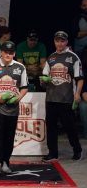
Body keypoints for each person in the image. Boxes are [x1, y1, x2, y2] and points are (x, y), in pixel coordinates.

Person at [0, 41, 28, 174]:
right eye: (5, 52)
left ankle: (6, 162)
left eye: (11, 52)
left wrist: (18, 98)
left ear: (14, 53)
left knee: (9, 136)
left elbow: (24, 87)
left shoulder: (20, 67)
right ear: (1, 52)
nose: (8, 54)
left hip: (13, 109)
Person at [41, 31, 83, 161]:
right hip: (51, 98)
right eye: (57, 41)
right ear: (54, 42)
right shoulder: (51, 58)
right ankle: (53, 153)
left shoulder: (73, 57)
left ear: (66, 42)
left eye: (62, 41)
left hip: (67, 99)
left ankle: (77, 150)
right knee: (51, 127)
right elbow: (44, 77)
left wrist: (77, 94)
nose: (60, 43)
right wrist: (43, 80)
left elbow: (80, 78)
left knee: (69, 127)